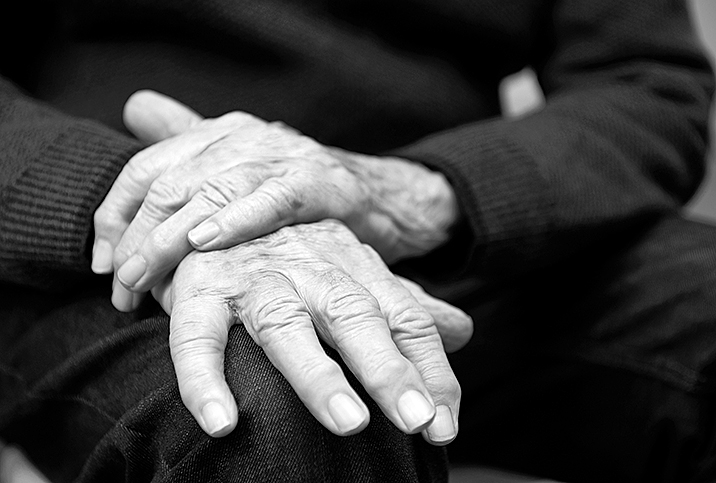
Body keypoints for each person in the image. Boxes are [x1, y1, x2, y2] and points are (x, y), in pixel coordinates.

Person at [1, 0, 714, 482]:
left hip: (443, 230)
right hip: (100, 243)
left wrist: (405, 194)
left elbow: (646, 82)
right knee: (281, 409)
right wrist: (166, 200)